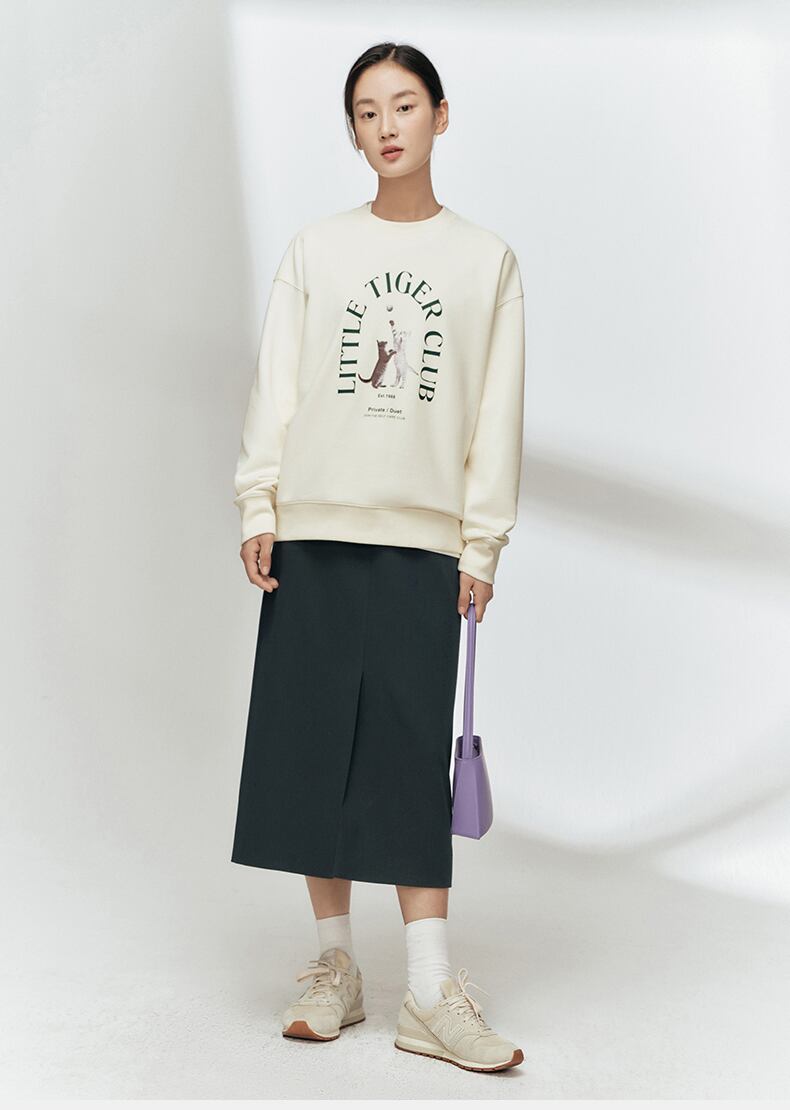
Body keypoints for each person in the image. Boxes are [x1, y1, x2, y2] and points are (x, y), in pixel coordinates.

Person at [230, 41, 526, 1073]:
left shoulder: (485, 261)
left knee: (405, 752)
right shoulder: (316, 250)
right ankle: (335, 967)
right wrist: (258, 499)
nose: (386, 126)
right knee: (310, 743)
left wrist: (481, 541)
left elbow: (496, 410)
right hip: (313, 528)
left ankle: (431, 992)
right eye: (366, 111)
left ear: (440, 115)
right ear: (353, 131)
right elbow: (276, 382)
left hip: (422, 538)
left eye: (404, 105)